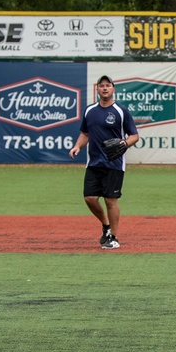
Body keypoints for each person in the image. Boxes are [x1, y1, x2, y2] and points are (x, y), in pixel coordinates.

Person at [69, 75, 140, 249]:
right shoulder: (90, 111)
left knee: (110, 200)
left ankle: (114, 237)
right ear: (97, 89)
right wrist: (77, 146)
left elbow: (134, 136)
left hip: (114, 163)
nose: (105, 88)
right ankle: (106, 225)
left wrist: (124, 143)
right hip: (94, 162)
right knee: (90, 198)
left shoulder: (121, 111)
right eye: (101, 86)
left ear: (113, 89)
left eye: (108, 85)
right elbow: (85, 133)